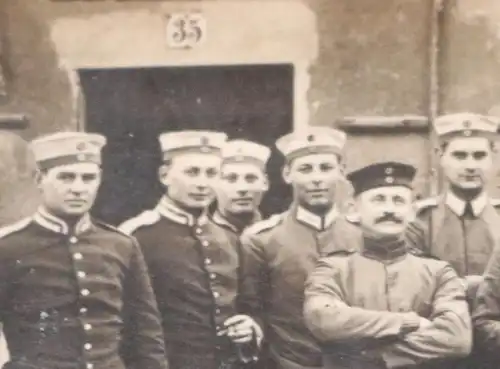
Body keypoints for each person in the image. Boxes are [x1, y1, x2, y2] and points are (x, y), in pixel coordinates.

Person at [0, 132, 168, 369]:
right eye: (66, 177)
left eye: (87, 178)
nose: (78, 188)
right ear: (39, 179)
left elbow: (146, 332)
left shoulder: (121, 245)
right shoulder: (8, 247)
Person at [304, 161, 472, 369]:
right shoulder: (332, 270)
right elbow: (323, 320)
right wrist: (409, 322)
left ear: (411, 212)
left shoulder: (438, 272)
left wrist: (372, 356)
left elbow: (457, 338)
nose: (389, 209)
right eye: (378, 200)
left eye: (398, 201)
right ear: (353, 210)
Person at [119, 131, 262, 369]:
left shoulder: (228, 237)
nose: (203, 183)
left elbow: (247, 306)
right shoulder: (136, 236)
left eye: (212, 173)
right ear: (164, 175)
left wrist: (249, 326)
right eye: (192, 172)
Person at [238, 127, 360, 369]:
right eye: (305, 169)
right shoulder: (262, 239)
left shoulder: (363, 235)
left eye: (326, 168)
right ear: (286, 174)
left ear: (342, 173)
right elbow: (253, 310)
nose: (317, 178)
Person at [408, 113, 500, 300]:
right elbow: (414, 283)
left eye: (479, 156)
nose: (470, 165)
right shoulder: (419, 220)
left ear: (493, 158)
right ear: (440, 157)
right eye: (460, 156)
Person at [211, 139, 270, 242]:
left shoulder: (277, 236)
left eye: (251, 178)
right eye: (231, 179)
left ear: (265, 183)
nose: (242, 188)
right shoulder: (200, 236)